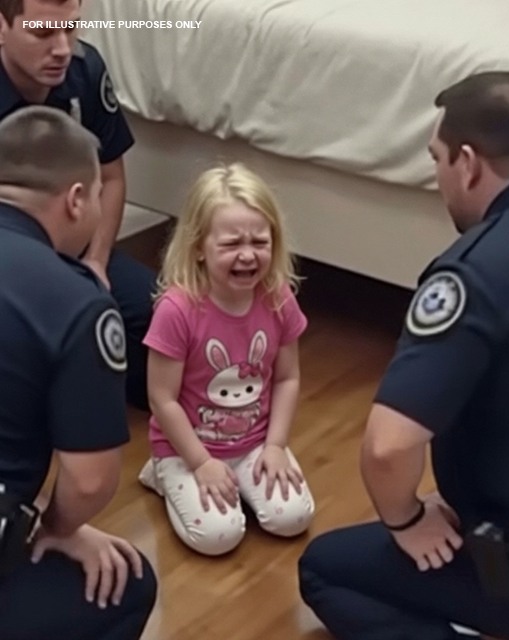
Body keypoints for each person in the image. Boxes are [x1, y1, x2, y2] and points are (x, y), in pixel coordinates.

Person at [298, 71, 509, 640]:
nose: (438, 176)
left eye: (437, 159)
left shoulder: (476, 273)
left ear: (468, 164)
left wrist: (409, 518)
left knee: (326, 569)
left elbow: (389, 447)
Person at [0, 106, 156, 639]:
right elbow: (90, 480)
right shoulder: (76, 302)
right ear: (75, 200)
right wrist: (56, 527)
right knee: (128, 582)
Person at [138, 163, 315, 555]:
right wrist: (201, 463)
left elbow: (287, 378)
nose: (248, 255)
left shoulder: (278, 297)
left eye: (260, 242)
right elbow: (162, 399)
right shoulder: (177, 309)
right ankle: (163, 475)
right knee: (220, 537)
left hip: (254, 443)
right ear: (198, 248)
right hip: (186, 448)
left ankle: (236, 485)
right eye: (232, 244)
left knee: (293, 519)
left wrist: (275, 446)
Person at [0, 0, 156, 409]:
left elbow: (111, 178)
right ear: (1, 27)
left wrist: (97, 263)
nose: (62, 49)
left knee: (161, 316)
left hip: (76, 251)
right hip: (8, 261)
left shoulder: (86, 70)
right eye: (42, 33)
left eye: (71, 28)